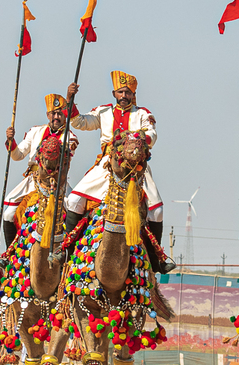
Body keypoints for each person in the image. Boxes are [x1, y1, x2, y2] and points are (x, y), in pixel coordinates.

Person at [65, 71, 174, 273]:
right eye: (121, 92)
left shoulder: (143, 114)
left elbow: (151, 134)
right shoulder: (103, 112)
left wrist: (135, 138)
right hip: (107, 164)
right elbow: (80, 122)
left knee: (156, 210)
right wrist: (70, 101)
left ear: (133, 94)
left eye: (128, 93)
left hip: (137, 167)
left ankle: (156, 259)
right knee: (73, 201)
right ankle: (66, 252)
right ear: (114, 92)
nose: (124, 96)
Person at [3, 93, 80, 248]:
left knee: (73, 207)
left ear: (65, 115)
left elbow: (68, 154)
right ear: (48, 115)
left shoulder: (69, 136)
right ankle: (9, 255)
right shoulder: (35, 131)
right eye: (53, 113)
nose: (56, 117)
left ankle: (68, 252)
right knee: (8, 214)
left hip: (57, 182)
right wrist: (11, 142)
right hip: (33, 181)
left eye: (60, 113)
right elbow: (18, 155)